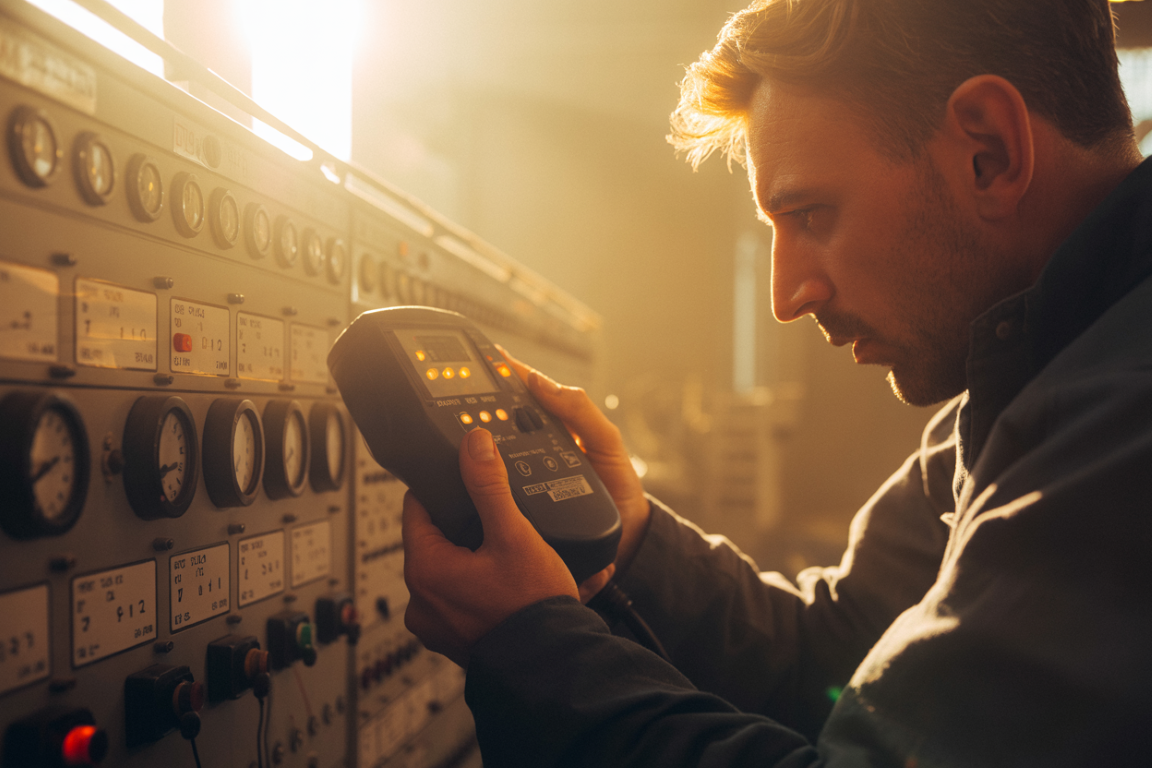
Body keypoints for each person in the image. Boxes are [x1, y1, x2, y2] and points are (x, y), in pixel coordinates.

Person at [401, 0, 1152, 764]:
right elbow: (837, 654)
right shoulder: (1031, 377)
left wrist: (530, 647)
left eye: (813, 214)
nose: (786, 297)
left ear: (988, 151)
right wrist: (627, 539)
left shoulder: (1125, 418)